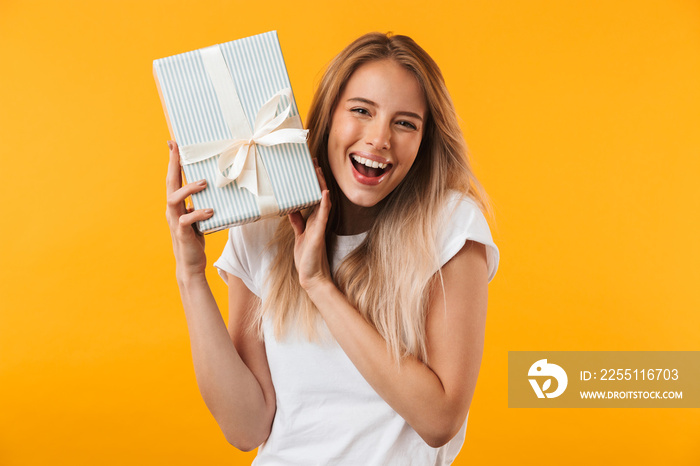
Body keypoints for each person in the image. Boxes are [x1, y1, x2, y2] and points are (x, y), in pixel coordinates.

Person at [166, 32, 499, 465]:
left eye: (405, 123)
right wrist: (191, 275)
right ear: (328, 117)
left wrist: (320, 283)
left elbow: (439, 421)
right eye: (361, 111)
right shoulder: (264, 225)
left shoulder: (450, 226)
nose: (380, 138)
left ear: (424, 141)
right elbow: (245, 427)